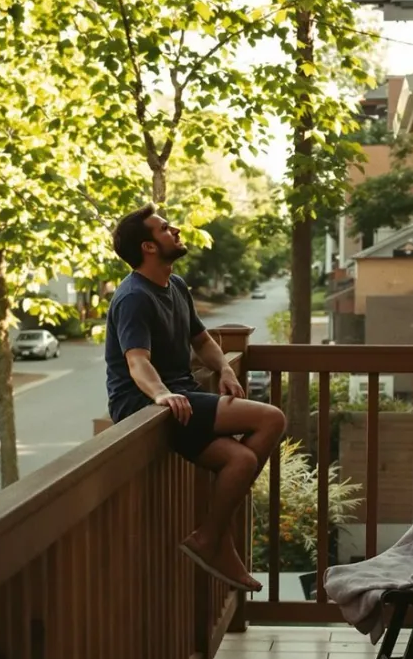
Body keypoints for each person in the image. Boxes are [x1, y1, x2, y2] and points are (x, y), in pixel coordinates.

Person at [105, 203, 286, 593]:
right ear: (148, 247)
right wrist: (162, 394)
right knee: (272, 419)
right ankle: (214, 537)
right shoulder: (133, 297)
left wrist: (223, 369)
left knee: (239, 461)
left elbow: (202, 340)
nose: (176, 231)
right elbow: (137, 363)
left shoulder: (176, 286)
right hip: (142, 404)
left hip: (180, 395)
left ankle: (210, 537)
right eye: (165, 229)